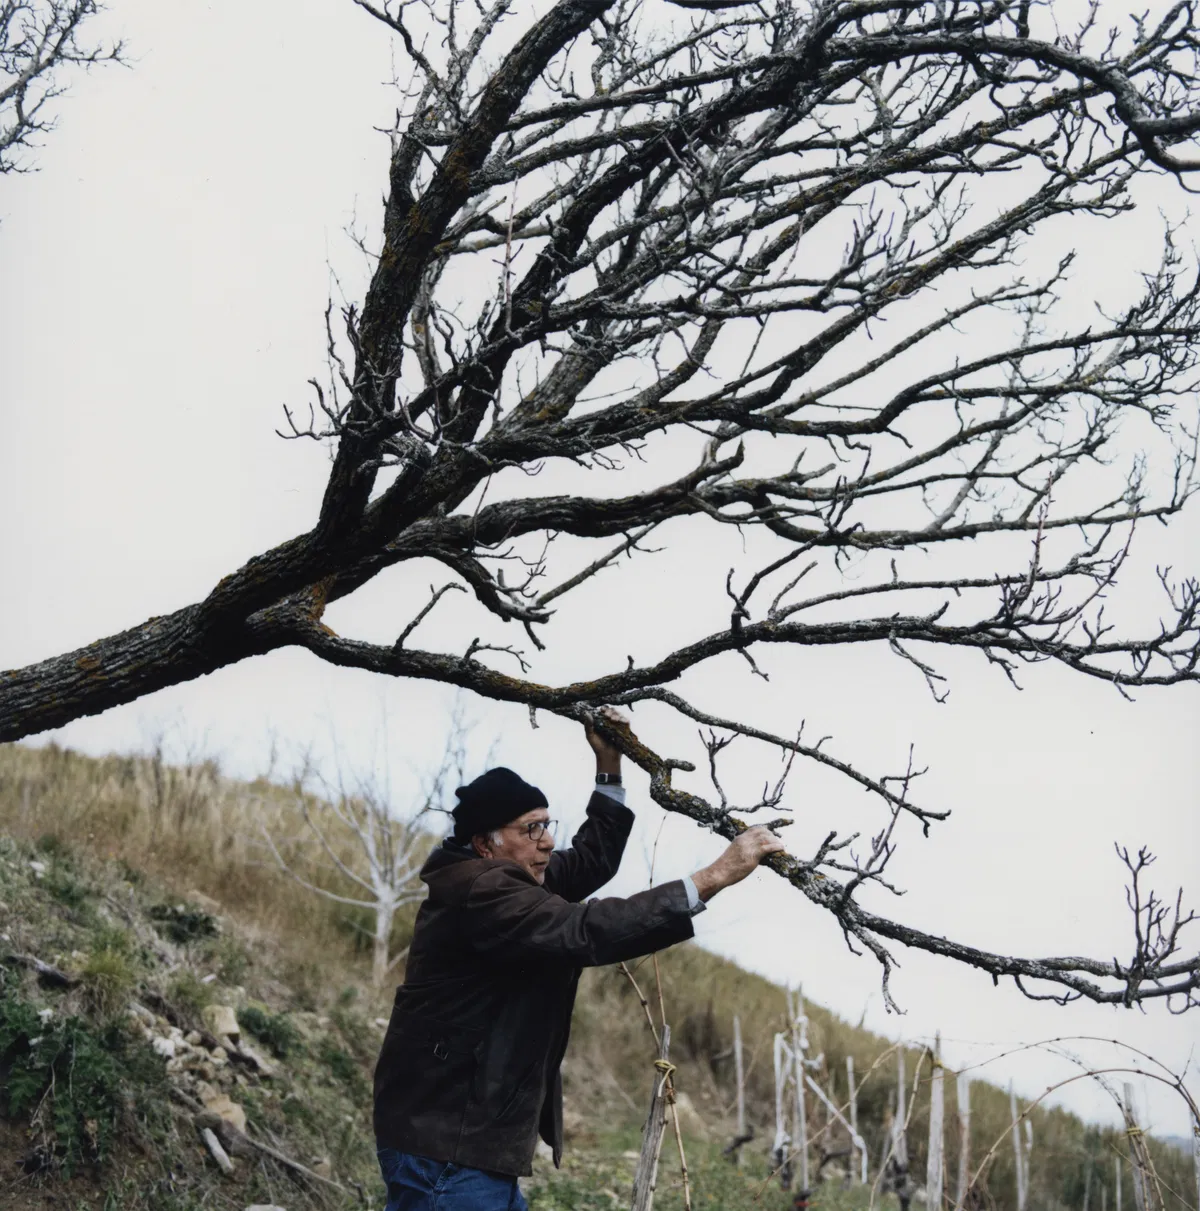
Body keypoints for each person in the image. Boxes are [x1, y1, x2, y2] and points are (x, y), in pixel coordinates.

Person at [373, 707, 785, 1211]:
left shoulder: (512, 876)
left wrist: (608, 766)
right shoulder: (484, 892)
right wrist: (714, 876)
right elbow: (584, 930)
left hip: (461, 1141)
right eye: (530, 829)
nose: (547, 840)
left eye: (547, 824)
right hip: (446, 1149)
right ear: (485, 843)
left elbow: (592, 860)